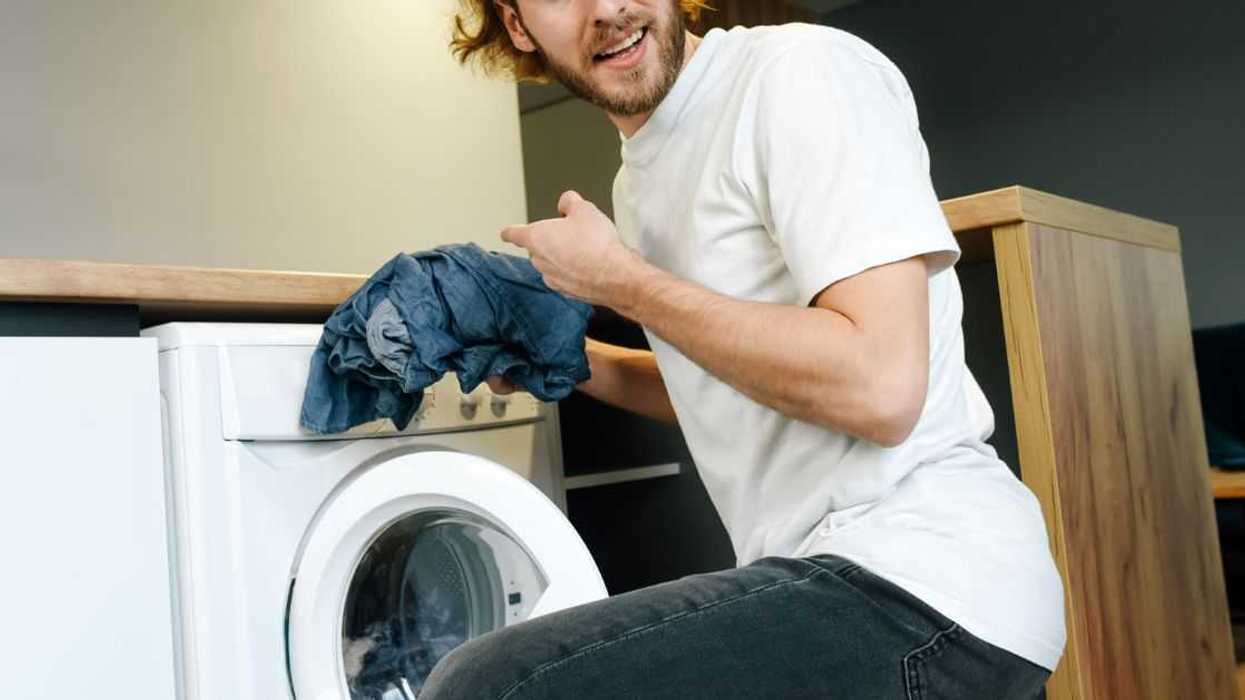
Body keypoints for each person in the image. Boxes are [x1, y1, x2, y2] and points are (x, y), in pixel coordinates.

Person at [422, 1, 1066, 697]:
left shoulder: (798, 74)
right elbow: (731, 381)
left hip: (927, 580)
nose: (606, 8)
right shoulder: (638, 178)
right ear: (518, 27)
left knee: (493, 686)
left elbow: (880, 388)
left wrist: (623, 282)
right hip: (835, 575)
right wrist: (572, 361)